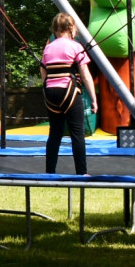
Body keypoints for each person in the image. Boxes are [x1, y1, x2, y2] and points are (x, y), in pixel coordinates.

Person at [40, 14, 96, 174]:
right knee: (77, 133)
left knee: (54, 133)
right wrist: (94, 99)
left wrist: (47, 89)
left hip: (51, 93)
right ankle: (82, 173)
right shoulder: (76, 47)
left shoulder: (48, 48)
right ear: (71, 28)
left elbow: (43, 72)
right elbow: (85, 75)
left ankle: (49, 172)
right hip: (69, 91)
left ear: (55, 29)